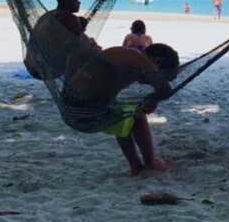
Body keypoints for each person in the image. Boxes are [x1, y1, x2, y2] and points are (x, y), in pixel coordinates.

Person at [63, 42, 180, 176]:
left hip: (75, 105)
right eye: (161, 73)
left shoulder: (127, 61)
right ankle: (150, 164)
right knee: (137, 115)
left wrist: (149, 100)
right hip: (83, 109)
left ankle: (136, 167)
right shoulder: (137, 58)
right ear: (157, 62)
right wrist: (152, 100)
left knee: (125, 115)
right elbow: (165, 90)